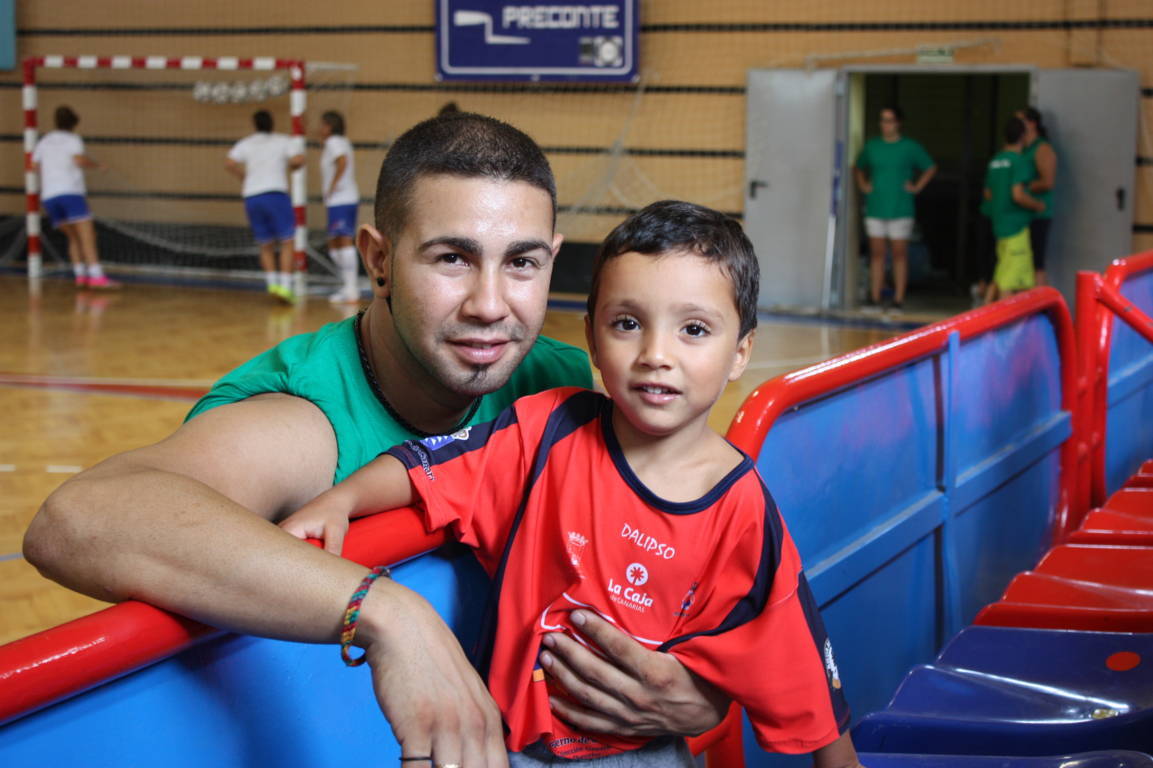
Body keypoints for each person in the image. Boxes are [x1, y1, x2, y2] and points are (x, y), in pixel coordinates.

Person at [25, 113, 731, 768]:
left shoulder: (564, 387)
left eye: (521, 263)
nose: (490, 305)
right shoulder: (305, 418)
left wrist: (699, 693)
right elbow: (78, 518)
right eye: (452, 258)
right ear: (379, 259)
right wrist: (388, 612)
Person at [280, 200, 861, 767]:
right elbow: (431, 465)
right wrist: (342, 500)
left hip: (642, 751)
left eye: (693, 329)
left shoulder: (742, 508)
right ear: (593, 338)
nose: (656, 354)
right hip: (508, 745)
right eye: (628, 324)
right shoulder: (548, 431)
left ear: (740, 352)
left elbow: (796, 652)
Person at [853, 106, 937, 312]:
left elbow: (930, 167)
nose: (885, 125)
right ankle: (875, 298)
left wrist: (917, 186)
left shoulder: (910, 147)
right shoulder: (872, 146)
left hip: (901, 208)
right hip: (876, 207)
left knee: (899, 254)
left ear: (898, 123)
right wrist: (863, 185)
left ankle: (898, 299)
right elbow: (858, 167)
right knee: (877, 254)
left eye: (889, 120)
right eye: (882, 120)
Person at [31, 106, 118, 289]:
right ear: (74, 123)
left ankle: (80, 275)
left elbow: (34, 166)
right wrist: (97, 166)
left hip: (49, 197)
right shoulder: (73, 139)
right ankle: (96, 276)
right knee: (88, 236)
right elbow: (78, 160)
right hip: (70, 193)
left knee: (73, 236)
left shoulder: (44, 141)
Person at [225, 109, 305, 302]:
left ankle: (272, 284)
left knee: (265, 244)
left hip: (252, 196)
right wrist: (292, 166)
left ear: (255, 124)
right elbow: (298, 159)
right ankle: (285, 287)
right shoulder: (282, 141)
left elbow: (229, 163)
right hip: (275, 194)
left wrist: (244, 177)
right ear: (272, 123)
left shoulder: (246, 143)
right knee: (287, 241)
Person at [982, 117, 1046, 304]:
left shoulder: (995, 161)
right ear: (1023, 136)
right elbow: (1018, 195)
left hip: (999, 224)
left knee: (1002, 273)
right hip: (1016, 228)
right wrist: (1037, 204)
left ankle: (984, 311)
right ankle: (1004, 320)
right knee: (1011, 281)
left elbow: (988, 193)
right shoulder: (1019, 161)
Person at [320, 110, 361, 304]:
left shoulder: (334, 142)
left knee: (343, 240)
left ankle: (352, 289)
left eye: (323, 125)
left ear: (329, 126)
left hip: (341, 199)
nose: (320, 129)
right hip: (340, 200)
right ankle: (347, 285)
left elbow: (342, 161)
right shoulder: (341, 141)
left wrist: (333, 185)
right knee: (334, 243)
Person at [1017, 107, 1057, 287]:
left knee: (1037, 263)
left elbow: (1048, 181)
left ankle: (1043, 301)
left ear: (1032, 124)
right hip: (1023, 213)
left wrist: (1022, 187)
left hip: (1039, 213)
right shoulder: (1023, 149)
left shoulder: (1042, 148)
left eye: (1020, 121)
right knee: (1024, 263)